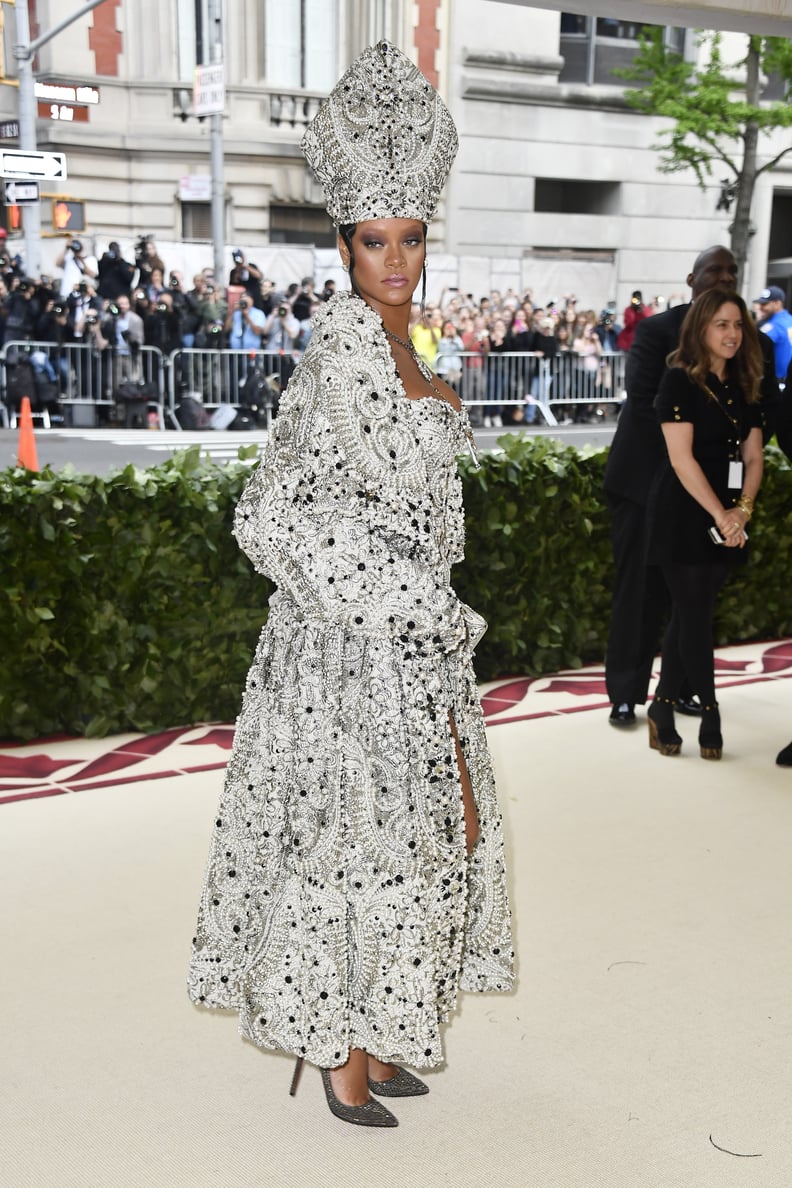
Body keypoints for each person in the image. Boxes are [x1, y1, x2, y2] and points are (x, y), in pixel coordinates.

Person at [187, 40, 513, 1130]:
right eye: (375, 241)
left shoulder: (406, 345)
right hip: (355, 654)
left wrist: (426, 609)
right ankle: (340, 1049)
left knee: (420, 841)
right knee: (360, 845)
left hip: (416, 655)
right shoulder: (340, 350)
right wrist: (405, 603)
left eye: (411, 239)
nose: (397, 259)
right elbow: (269, 514)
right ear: (342, 246)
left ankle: (376, 1025)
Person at [603, 245, 778, 728]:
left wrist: (723, 498)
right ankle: (626, 693)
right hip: (646, 485)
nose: (723, 277)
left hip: (715, 495)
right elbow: (641, 406)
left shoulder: (753, 343)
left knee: (695, 599)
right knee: (640, 594)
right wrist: (689, 477)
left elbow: (768, 414)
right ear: (692, 278)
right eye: (713, 270)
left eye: (731, 271)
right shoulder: (659, 332)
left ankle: (679, 690)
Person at [645, 291, 763, 759]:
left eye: (737, 324)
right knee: (695, 614)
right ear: (700, 329)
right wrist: (722, 515)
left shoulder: (745, 382)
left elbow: (753, 457)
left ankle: (661, 706)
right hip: (684, 512)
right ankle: (710, 709)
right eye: (721, 325)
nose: (732, 334)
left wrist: (743, 511)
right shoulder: (678, 382)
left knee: (692, 612)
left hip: (730, 517)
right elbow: (680, 459)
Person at [753, 285, 792, 381]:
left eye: (765, 304)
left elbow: (755, 345)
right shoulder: (789, 320)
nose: (761, 308)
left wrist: (755, 322)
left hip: (778, 381)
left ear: (777, 303)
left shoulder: (774, 325)